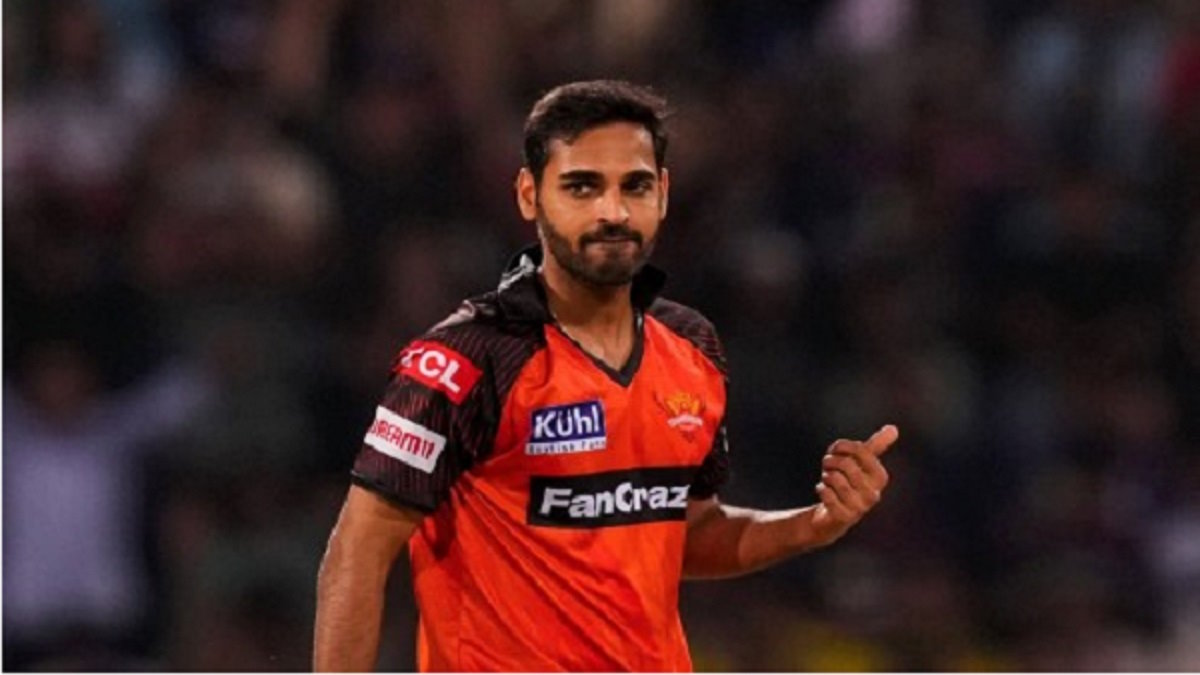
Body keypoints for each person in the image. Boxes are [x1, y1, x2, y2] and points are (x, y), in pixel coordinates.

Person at [313, 80, 899, 672]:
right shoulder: (465, 361)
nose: (613, 212)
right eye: (582, 186)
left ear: (663, 193)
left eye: (634, 186)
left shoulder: (692, 346)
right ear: (529, 194)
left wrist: (813, 525)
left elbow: (686, 530)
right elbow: (357, 553)